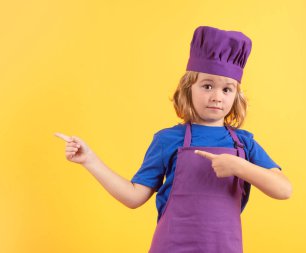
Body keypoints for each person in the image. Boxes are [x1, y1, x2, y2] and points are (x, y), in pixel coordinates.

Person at [55, 26, 292, 253]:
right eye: (207, 86)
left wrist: (239, 167)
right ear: (188, 88)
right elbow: (134, 197)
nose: (217, 97)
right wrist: (90, 161)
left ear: (235, 96)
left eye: (226, 89)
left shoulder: (244, 144)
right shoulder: (168, 139)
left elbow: (283, 189)